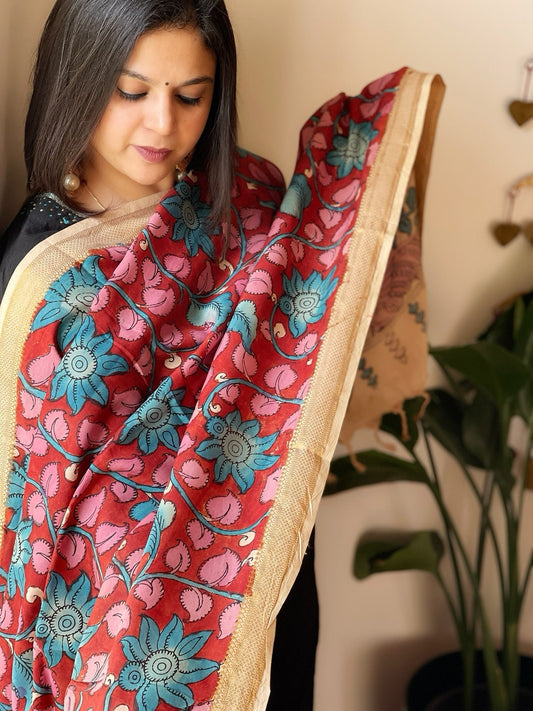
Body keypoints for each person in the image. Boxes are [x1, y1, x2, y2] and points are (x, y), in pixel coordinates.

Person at [0, 1, 444, 709]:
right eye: (131, 90)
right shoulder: (41, 272)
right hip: (109, 628)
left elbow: (309, 337)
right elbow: (37, 497)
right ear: (77, 78)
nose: (162, 125)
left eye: (191, 96)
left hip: (262, 573)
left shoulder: (248, 199)